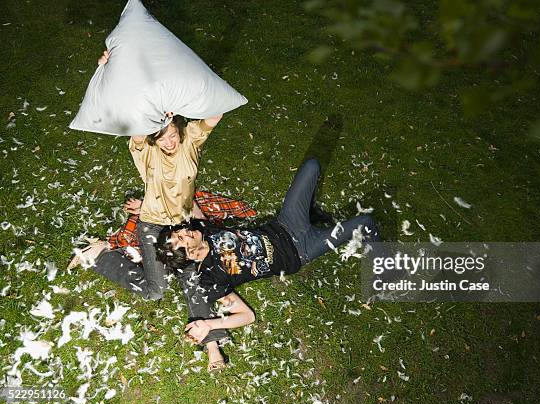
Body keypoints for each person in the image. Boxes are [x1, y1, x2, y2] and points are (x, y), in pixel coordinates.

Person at [67, 49, 228, 372]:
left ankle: (213, 347)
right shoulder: (144, 150)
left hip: (183, 228)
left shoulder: (191, 142)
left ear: (179, 131)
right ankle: (100, 255)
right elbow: (133, 120)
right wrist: (111, 71)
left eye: (172, 135)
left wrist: (195, 83)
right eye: (162, 137)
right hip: (153, 227)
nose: (168, 142)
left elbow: (216, 113)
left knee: (193, 281)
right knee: (155, 291)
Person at [155, 158, 380, 344]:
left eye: (179, 232)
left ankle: (311, 212)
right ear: (190, 256)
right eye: (182, 240)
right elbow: (247, 316)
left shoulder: (202, 230)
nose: (185, 231)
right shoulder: (211, 279)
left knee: (312, 165)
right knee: (366, 221)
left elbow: (189, 203)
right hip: (300, 251)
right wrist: (209, 324)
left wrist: (173, 185)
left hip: (286, 223)